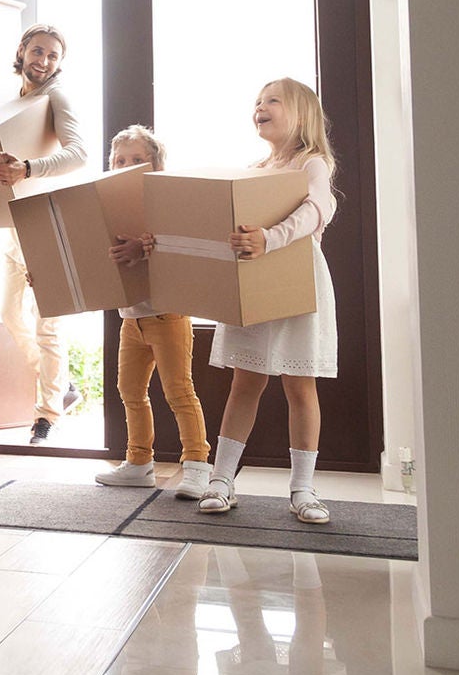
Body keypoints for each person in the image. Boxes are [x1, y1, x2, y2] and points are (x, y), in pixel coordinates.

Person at [198, 78, 338, 523]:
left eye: (272, 100)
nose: (260, 107)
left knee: (300, 385)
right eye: (257, 102)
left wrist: (270, 238)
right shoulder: (255, 168)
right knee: (246, 380)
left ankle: (303, 488)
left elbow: (317, 209)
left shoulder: (312, 164)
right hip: (255, 282)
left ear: (301, 112)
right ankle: (221, 479)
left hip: (296, 283)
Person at [94, 125, 212, 498]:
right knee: (129, 390)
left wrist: (143, 248)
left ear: (155, 166)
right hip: (132, 318)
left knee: (179, 391)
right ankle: (139, 463)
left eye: (137, 160)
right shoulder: (108, 207)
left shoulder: (165, 202)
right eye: (120, 160)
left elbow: (178, 246)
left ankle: (196, 465)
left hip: (168, 314)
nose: (126, 166)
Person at [0, 24, 87, 444]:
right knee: (10, 313)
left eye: (52, 55)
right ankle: (62, 389)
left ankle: (47, 413)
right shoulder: (16, 102)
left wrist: (28, 168)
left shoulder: (56, 96)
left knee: (48, 325)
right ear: (22, 51)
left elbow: (79, 153)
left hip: (47, 221)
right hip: (15, 223)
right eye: (38, 51)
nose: (43, 61)